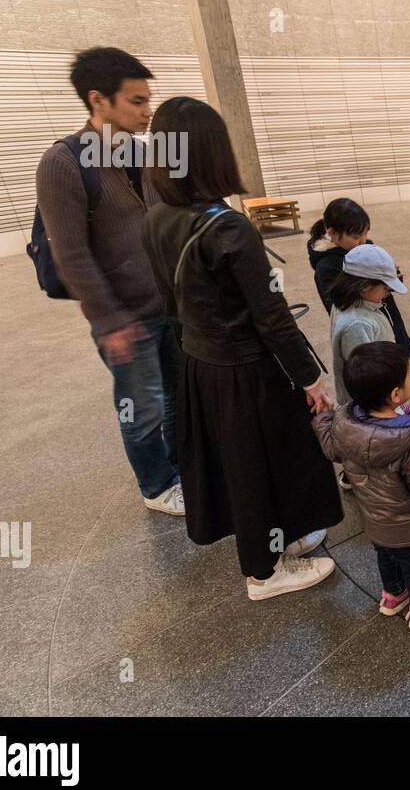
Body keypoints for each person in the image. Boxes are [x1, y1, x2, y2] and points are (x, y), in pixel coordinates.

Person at [141, 96, 341, 601]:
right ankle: (263, 572)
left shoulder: (158, 216)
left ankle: (282, 539)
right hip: (247, 370)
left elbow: (169, 304)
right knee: (262, 463)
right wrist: (310, 378)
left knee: (244, 463)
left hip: (201, 363)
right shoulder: (226, 226)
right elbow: (271, 315)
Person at [34, 47, 183, 516]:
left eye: (148, 100)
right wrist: (110, 319)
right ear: (98, 100)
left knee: (178, 399)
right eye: (136, 101)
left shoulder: (147, 153)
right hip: (123, 315)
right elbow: (71, 253)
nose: (147, 110)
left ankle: (183, 469)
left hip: (170, 306)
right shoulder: (63, 162)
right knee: (142, 408)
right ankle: (157, 486)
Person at [313, 341, 410, 631]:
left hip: (376, 525)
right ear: (395, 393)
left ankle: (393, 595)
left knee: (387, 558)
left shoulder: (344, 423)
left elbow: (331, 447)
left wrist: (323, 418)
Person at [306, 197, 410, 357]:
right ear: (332, 233)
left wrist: (392, 278)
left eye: (365, 233)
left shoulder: (364, 246)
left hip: (388, 319)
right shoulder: (326, 268)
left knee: (402, 363)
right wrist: (374, 284)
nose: (363, 240)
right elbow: (339, 306)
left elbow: (381, 280)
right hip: (368, 335)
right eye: (356, 237)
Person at [328, 243, 407, 406]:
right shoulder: (357, 324)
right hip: (372, 407)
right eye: (386, 287)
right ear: (364, 287)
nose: (388, 293)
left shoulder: (347, 302)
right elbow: (366, 379)